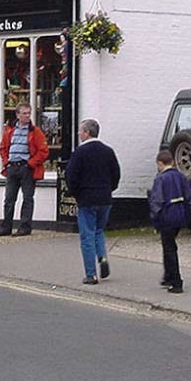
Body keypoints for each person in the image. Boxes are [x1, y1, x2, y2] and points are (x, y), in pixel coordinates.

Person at [65, 118, 121, 284]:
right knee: (99, 231)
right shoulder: (108, 151)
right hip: (105, 198)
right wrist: (109, 189)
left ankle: (91, 274)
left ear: (87, 133)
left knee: (87, 235)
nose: (79, 134)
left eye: (80, 131)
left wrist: (76, 194)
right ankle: (102, 258)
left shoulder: (80, 153)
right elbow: (116, 174)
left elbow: (71, 176)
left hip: (87, 199)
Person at [0, 103, 49, 237]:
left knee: (27, 198)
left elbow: (43, 151)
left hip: (26, 168)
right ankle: (6, 227)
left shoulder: (35, 131)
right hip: (12, 167)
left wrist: (30, 164)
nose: (27, 116)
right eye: (24, 113)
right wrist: (6, 162)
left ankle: (25, 227)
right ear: (17, 115)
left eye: (29, 113)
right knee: (9, 199)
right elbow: (2, 148)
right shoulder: (10, 130)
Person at [149, 150, 191, 293]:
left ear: (159, 163)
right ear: (173, 162)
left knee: (169, 248)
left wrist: (154, 218)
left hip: (166, 216)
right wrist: (187, 215)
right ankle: (168, 276)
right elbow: (190, 198)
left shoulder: (160, 179)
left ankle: (176, 281)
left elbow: (157, 201)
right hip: (180, 215)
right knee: (169, 245)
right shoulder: (181, 176)